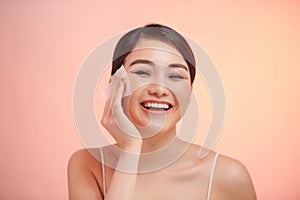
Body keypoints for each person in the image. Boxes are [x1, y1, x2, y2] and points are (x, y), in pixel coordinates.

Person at [68, 24, 257, 200]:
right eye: (143, 72)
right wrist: (131, 150)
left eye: (176, 76)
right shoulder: (87, 165)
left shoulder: (228, 175)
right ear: (115, 84)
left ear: (190, 92)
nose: (159, 89)